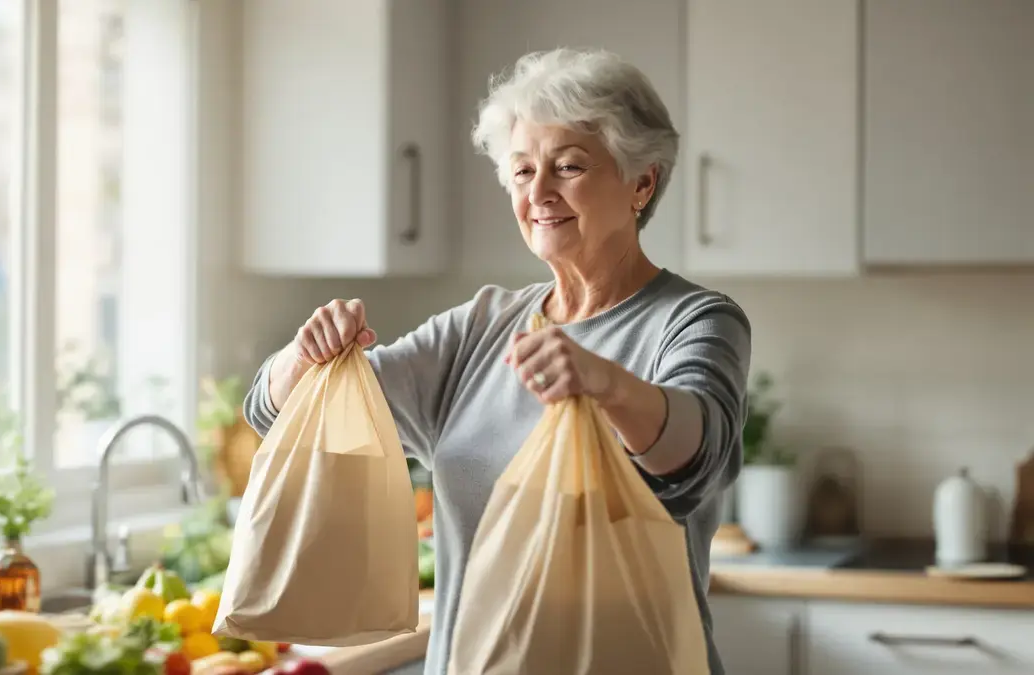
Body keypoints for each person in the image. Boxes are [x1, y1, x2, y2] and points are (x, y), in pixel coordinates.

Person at [242, 47, 751, 675]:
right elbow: (289, 418)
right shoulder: (480, 328)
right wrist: (304, 354)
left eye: (567, 167)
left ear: (641, 182)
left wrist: (604, 383)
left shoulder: (695, 322)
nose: (538, 192)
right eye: (521, 171)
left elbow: (695, 456)